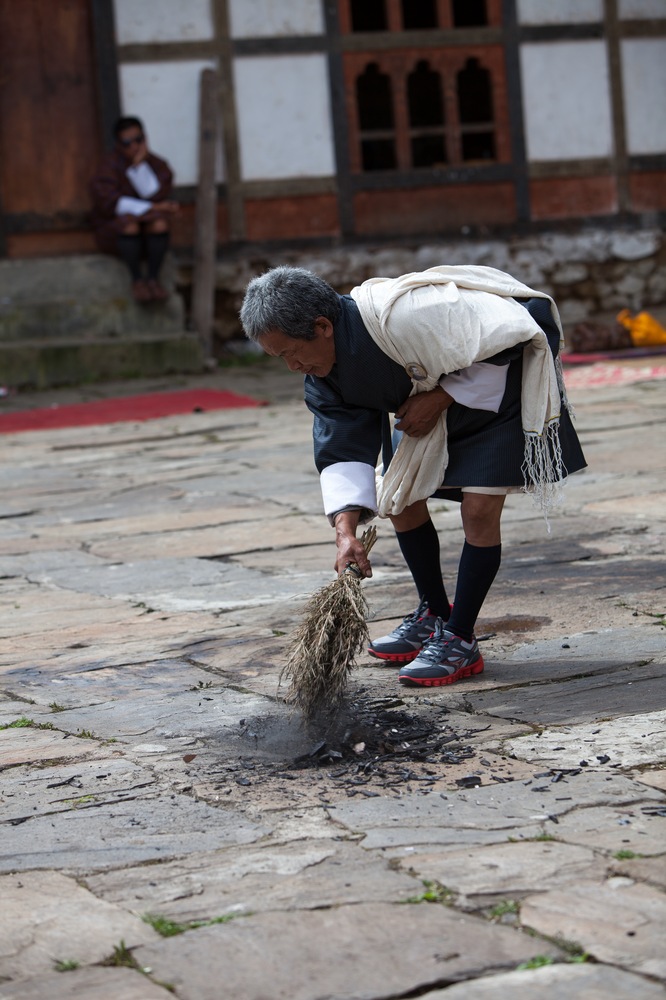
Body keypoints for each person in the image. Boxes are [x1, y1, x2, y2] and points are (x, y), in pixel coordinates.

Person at [239, 264, 587, 688]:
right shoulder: (322, 377)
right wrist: (344, 531)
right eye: (280, 359)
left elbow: (516, 331)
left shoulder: (406, 314)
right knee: (400, 501)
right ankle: (434, 613)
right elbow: (342, 446)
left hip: (493, 397)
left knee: (478, 511)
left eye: (290, 352)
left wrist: (443, 396)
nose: (292, 366)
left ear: (322, 326)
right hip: (427, 408)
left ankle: (459, 639)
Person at [90, 116, 178, 303]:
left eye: (138, 140)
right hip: (116, 233)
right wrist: (154, 207)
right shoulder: (108, 166)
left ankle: (153, 279)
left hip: (148, 235)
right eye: (127, 142)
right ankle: (137, 281)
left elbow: (157, 194)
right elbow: (113, 204)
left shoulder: (156, 164)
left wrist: (139, 167)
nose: (134, 146)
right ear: (119, 144)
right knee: (129, 225)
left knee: (159, 223)